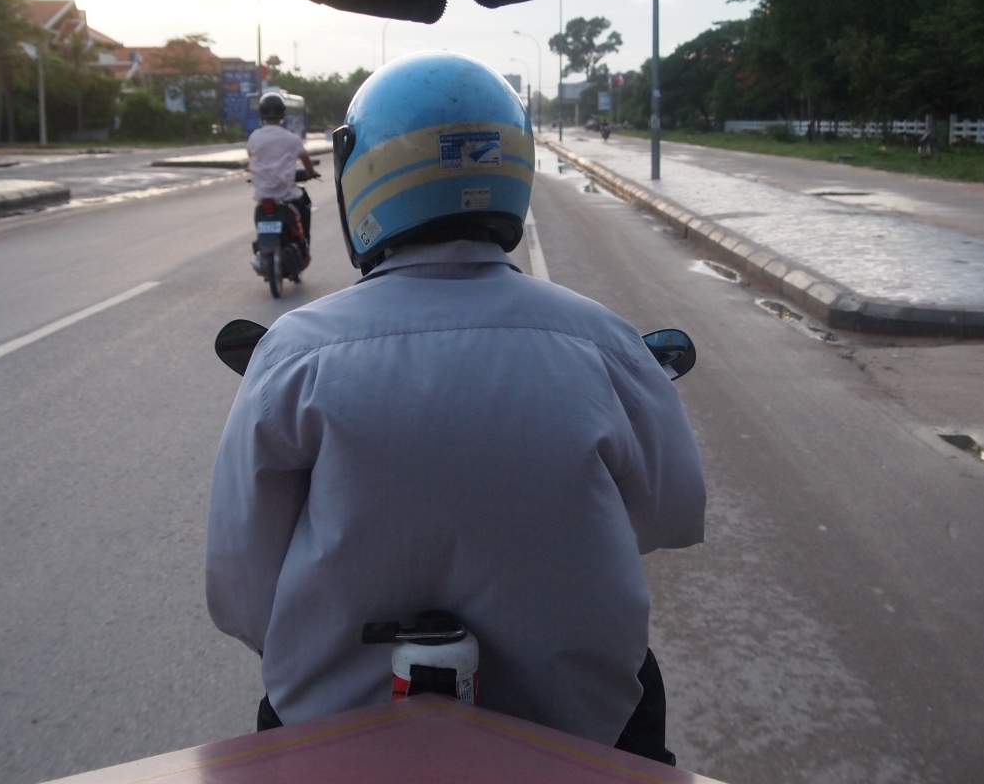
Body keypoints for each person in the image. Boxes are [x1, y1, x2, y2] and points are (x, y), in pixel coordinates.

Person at [206, 52, 706, 765]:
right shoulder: (603, 342)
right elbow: (672, 514)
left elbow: (238, 584)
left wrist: (322, 646)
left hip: (334, 726)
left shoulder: (294, 352)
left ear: (362, 173)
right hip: (578, 722)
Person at [246, 92, 318, 261]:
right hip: (286, 195)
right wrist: (311, 172)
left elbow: (251, 157)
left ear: (261, 113)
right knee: (304, 203)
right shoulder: (292, 139)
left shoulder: (254, 137)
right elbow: (305, 160)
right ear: (282, 114)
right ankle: (304, 244)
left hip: (263, 195)